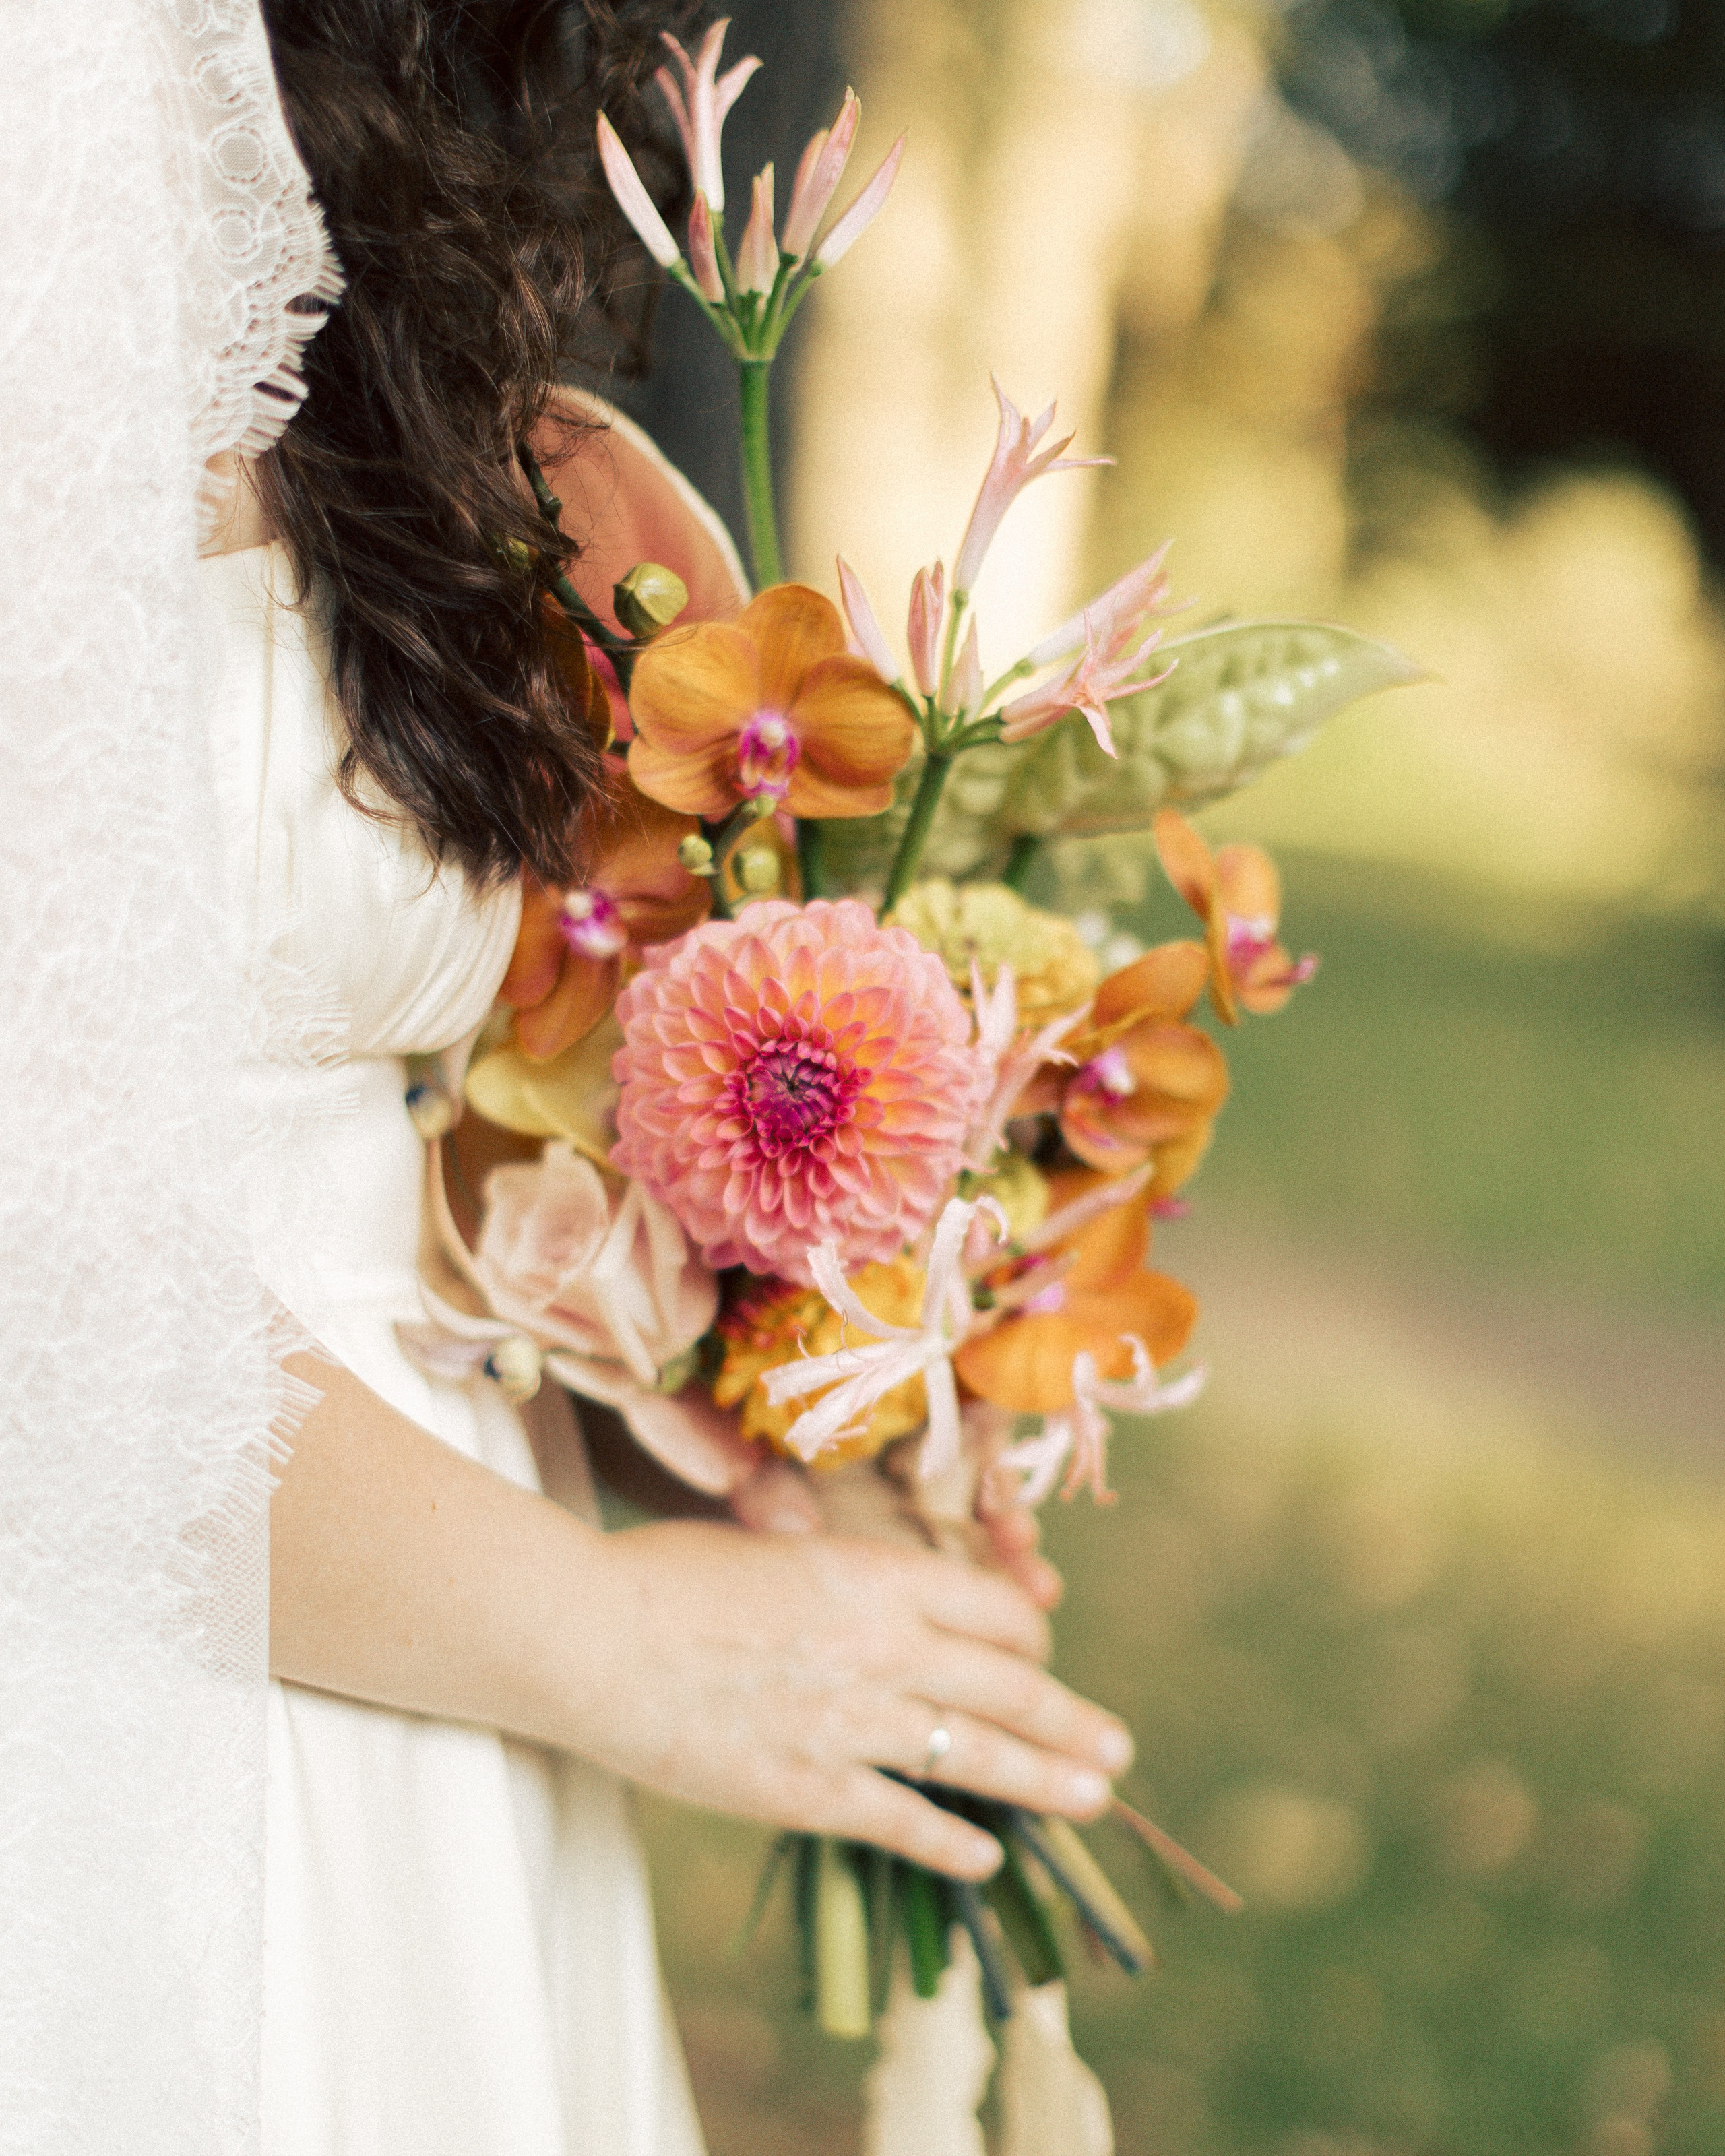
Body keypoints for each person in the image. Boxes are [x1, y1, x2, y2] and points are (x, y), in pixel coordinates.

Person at [225, 4, 1135, 2150]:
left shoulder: (425, 301)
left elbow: (438, 1121)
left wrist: (765, 1393)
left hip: (443, 1709)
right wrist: (624, 1647)